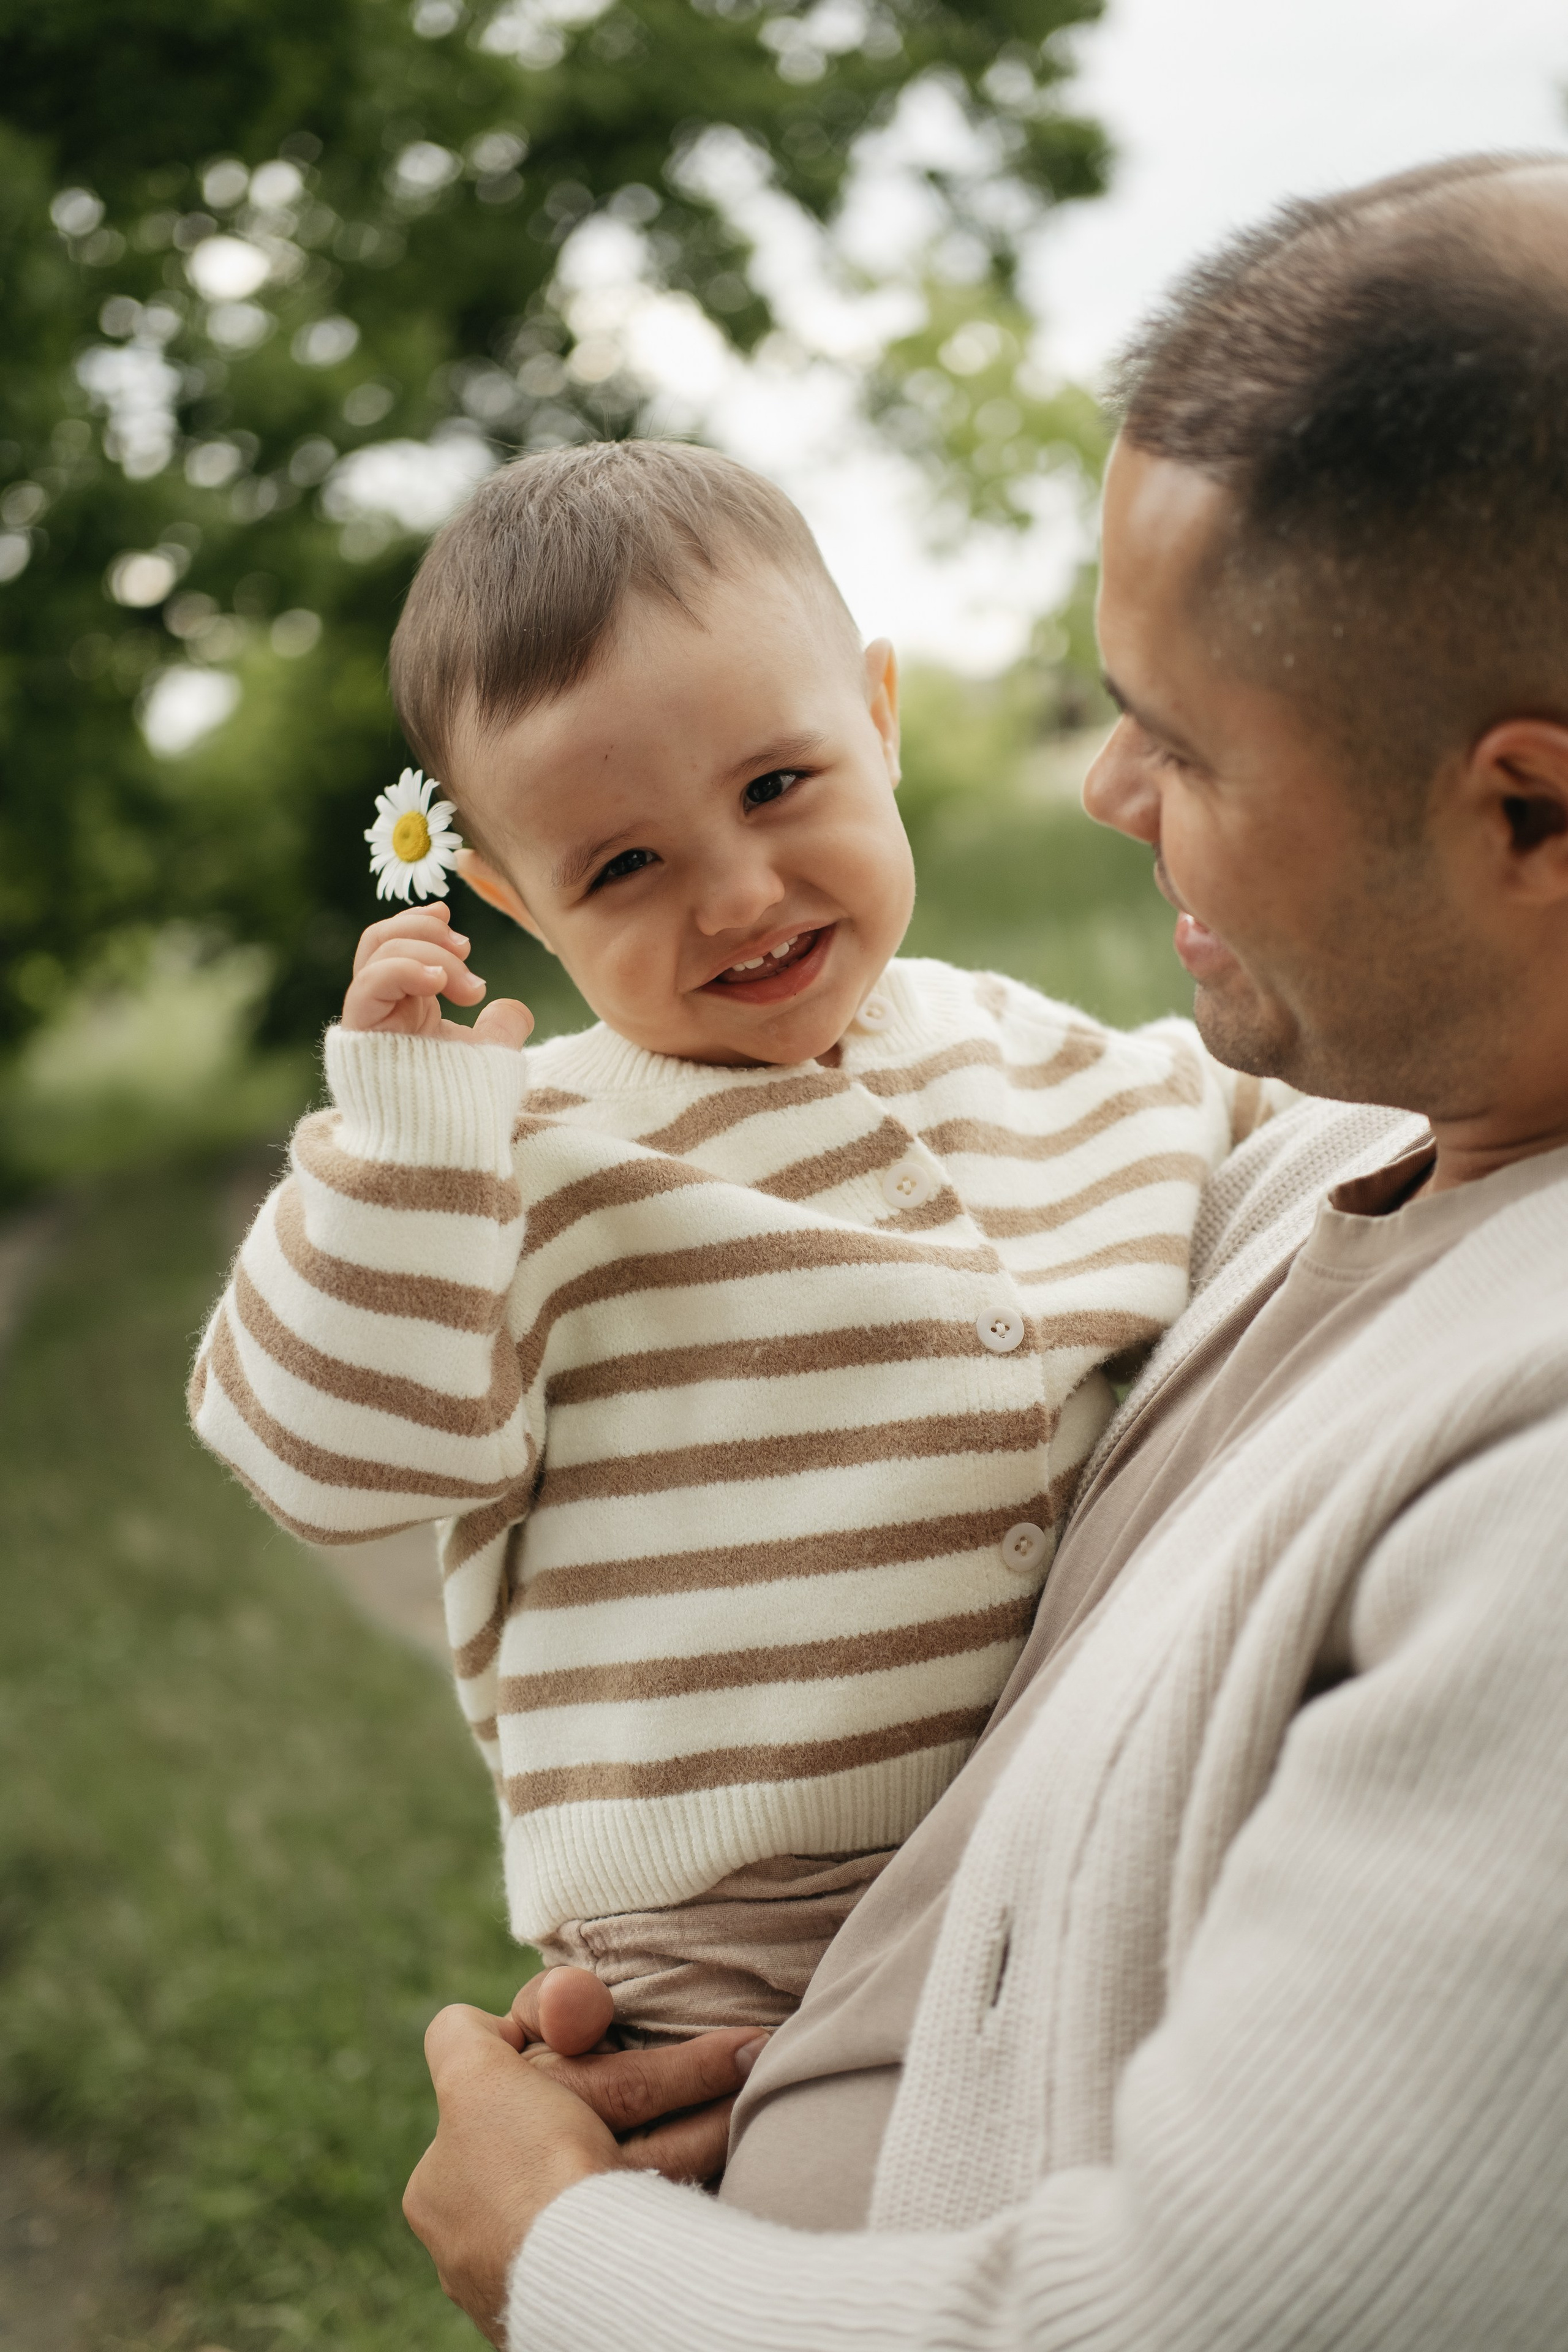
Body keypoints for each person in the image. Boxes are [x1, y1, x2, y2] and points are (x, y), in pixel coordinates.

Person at [400, 152, 1568, 2350]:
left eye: (1187, 738)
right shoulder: (1324, 1139)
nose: (1112, 791)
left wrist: (562, 2258)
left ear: (1533, 811)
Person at [189, 442, 1281, 2046]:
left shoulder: (1054, 1061)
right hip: (730, 1941)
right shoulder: (523, 1160)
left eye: (778, 786)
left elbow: (1322, 1156)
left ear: (880, 720)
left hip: (1093, 1822)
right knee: (771, 2266)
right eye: (621, 866)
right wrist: (406, 1139)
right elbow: (321, 1455)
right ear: (514, 899)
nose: (738, 892)